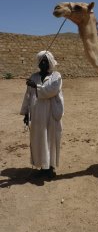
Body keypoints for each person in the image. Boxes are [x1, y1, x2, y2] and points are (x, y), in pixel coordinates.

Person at [20, 50, 64, 178]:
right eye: (41, 61)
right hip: (37, 115)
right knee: (39, 139)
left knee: (50, 140)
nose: (43, 63)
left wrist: (36, 87)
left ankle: (50, 168)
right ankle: (42, 166)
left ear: (50, 63)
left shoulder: (56, 76)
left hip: (50, 114)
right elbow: (28, 96)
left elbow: (52, 90)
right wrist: (26, 114)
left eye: (45, 61)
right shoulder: (34, 77)